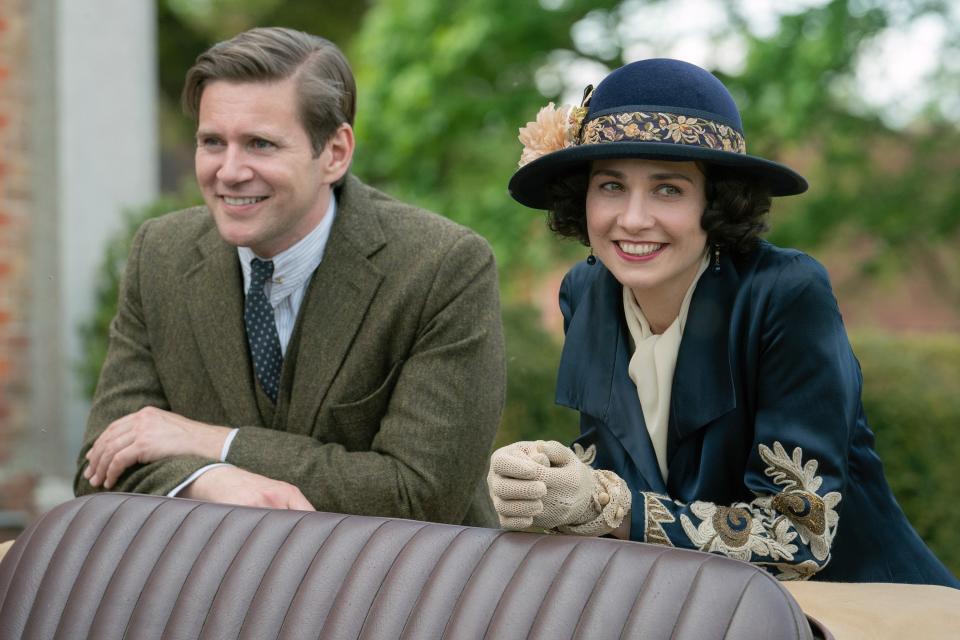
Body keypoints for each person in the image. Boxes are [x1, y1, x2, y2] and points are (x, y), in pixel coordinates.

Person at [488, 58, 959, 586]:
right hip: (695, 609)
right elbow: (622, 480)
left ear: (716, 203)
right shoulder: (586, 291)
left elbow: (798, 537)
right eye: (611, 186)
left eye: (668, 189)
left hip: (861, 609)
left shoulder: (787, 292)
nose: (633, 218)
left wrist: (603, 505)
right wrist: (550, 481)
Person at [74, 27, 505, 527]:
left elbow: (418, 496)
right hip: (223, 591)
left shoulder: (443, 266)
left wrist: (215, 442)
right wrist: (210, 479)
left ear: (336, 153)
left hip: (401, 591)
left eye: (260, 144)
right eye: (213, 142)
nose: (229, 171)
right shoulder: (160, 255)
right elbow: (98, 471)